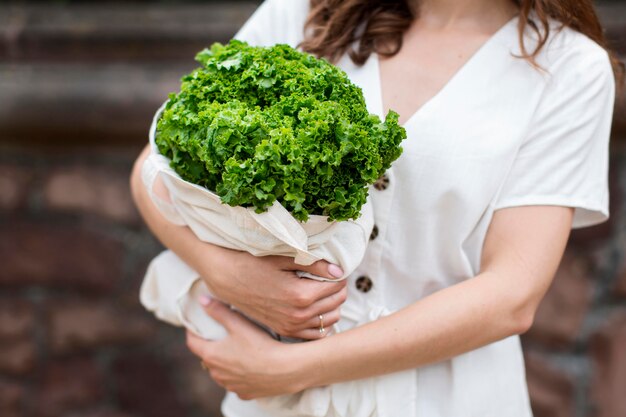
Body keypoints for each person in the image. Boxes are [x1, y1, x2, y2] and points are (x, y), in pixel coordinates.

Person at [130, 0, 623, 415]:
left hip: (443, 397)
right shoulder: (310, 12)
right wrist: (227, 274)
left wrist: (288, 370)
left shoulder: (567, 66)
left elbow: (511, 294)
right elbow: (156, 167)